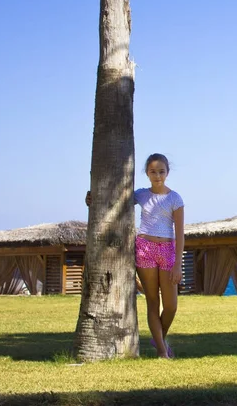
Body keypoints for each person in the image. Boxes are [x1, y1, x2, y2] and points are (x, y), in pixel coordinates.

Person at [86, 153, 184, 359]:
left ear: (168, 172)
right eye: (153, 172)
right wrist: (92, 198)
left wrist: (177, 265)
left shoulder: (175, 198)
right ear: (147, 173)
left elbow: (180, 234)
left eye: (161, 171)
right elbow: (113, 201)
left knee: (171, 306)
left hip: (167, 251)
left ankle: (159, 339)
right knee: (152, 302)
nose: (157, 176)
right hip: (145, 248)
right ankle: (161, 351)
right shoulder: (140, 194)